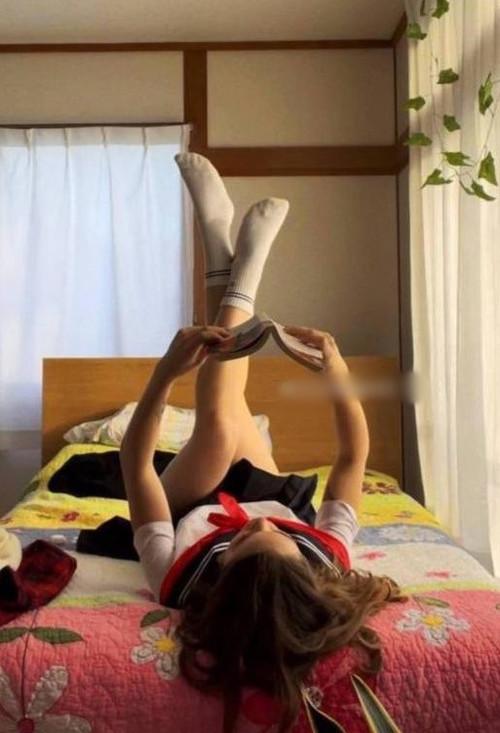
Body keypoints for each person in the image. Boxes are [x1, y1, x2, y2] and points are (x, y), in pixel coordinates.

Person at [120, 153, 403, 733]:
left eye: (245, 541)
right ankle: (226, 262)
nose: (255, 524)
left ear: (221, 579)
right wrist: (337, 373)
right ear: (303, 564)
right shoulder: (326, 557)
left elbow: (136, 465)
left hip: (187, 507)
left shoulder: (179, 578)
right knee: (230, 416)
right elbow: (353, 457)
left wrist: (165, 373)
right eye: (273, 536)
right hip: (266, 483)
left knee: (220, 427)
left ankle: (239, 276)